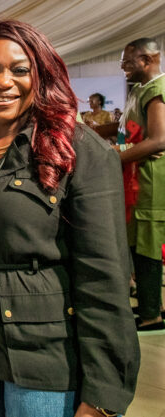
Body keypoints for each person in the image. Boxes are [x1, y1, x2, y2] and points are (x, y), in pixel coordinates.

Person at [0, 20, 139, 417]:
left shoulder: (78, 151)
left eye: (19, 69)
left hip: (42, 358)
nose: (2, 81)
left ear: (41, 76)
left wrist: (103, 394)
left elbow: (104, 275)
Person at [117, 37, 165, 331]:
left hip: (150, 183)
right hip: (135, 182)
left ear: (146, 60)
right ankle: (151, 306)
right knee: (138, 246)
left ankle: (151, 316)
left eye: (127, 61)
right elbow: (126, 130)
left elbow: (158, 140)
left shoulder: (157, 90)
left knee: (147, 250)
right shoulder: (139, 90)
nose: (123, 67)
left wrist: (114, 156)